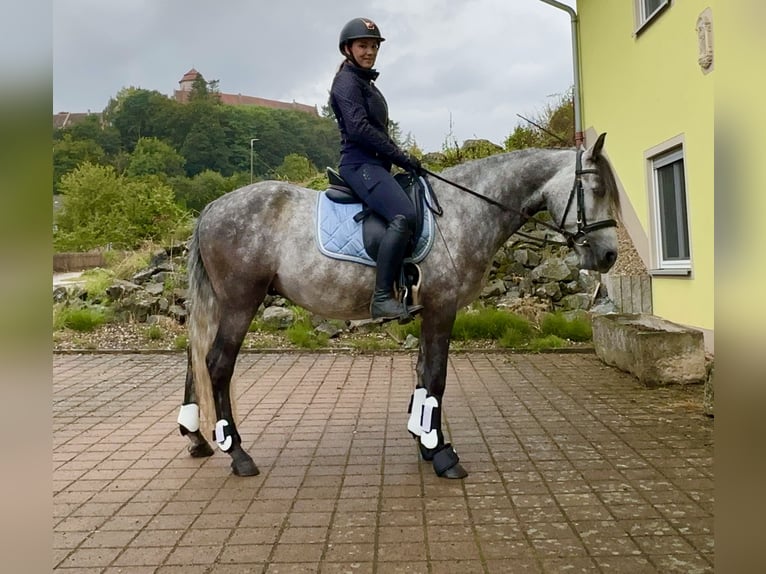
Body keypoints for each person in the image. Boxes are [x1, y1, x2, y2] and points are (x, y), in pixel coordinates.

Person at [329, 17, 424, 321]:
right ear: (348, 49)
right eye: (363, 46)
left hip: (376, 164)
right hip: (360, 165)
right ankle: (382, 298)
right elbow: (358, 129)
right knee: (404, 215)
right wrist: (400, 156)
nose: (369, 51)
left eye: (373, 46)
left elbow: (380, 131)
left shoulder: (366, 83)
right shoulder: (346, 82)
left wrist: (404, 158)